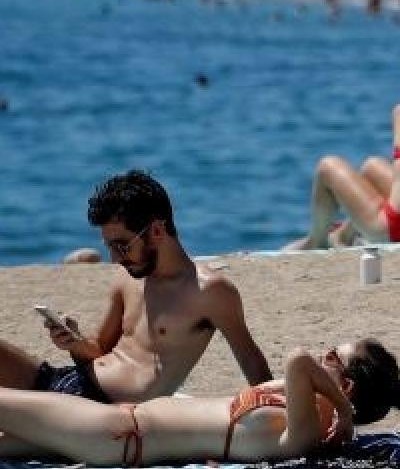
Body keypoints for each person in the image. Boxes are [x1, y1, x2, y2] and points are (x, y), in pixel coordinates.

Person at [0, 172, 272, 403]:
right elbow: (100, 351)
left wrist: (275, 412)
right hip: (70, 383)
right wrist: (75, 343)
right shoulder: (127, 277)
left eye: (122, 246)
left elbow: (251, 361)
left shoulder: (208, 291)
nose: (115, 259)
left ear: (156, 231)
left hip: (98, 415)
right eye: (109, 247)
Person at [0, 340, 400, 465]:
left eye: (334, 357)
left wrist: (342, 410)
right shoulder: (292, 402)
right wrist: (341, 403)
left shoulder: (304, 433)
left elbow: (297, 358)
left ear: (347, 386)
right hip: (116, 426)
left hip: (117, 435)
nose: (324, 355)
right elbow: (299, 369)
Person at [289, 55, 400, 249]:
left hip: (399, 230)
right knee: (372, 166)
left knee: (327, 166)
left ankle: (317, 240)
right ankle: (344, 235)